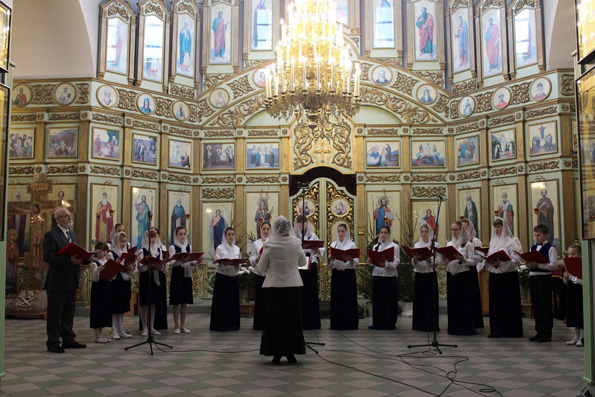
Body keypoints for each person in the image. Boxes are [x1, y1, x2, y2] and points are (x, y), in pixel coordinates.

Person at [257, 216, 307, 364]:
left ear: (275, 228)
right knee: (292, 319)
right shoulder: (296, 243)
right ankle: (291, 353)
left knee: (275, 320)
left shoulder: (269, 245)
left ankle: (276, 353)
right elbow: (303, 262)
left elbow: (261, 268)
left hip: (274, 287)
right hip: (293, 286)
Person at [42, 207, 86, 353]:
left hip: (71, 280)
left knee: (69, 312)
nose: (69, 218)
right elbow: (49, 256)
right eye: (65, 216)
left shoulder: (73, 235)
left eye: (69, 215)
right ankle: (53, 342)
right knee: (55, 313)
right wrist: (69, 261)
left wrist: (85, 258)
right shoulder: (51, 235)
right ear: (57, 219)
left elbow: (76, 254)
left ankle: (68, 339)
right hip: (57, 282)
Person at [482, 217, 523, 338]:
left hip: (508, 276)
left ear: (504, 227)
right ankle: (496, 330)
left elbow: (516, 260)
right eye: (495, 227)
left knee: (507, 304)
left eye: (499, 227)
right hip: (495, 275)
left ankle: (509, 330)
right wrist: (488, 261)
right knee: (496, 304)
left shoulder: (512, 240)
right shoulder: (493, 241)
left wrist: (502, 263)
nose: (496, 229)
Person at [441, 221, 476, 335]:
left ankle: (465, 328)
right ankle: (453, 327)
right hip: (451, 275)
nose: (454, 232)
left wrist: (463, 259)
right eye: (452, 229)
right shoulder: (450, 244)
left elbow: (472, 262)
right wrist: (443, 257)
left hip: (463, 276)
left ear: (462, 230)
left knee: (463, 303)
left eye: (456, 229)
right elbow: (446, 261)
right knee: (453, 303)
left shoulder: (468, 244)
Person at [527, 224, 558, 343]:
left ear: (546, 235)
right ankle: (539, 331)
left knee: (545, 306)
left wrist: (539, 265)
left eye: (539, 235)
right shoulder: (533, 248)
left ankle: (546, 333)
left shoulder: (551, 248)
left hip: (544, 279)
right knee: (536, 306)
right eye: (535, 235)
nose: (536, 238)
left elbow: (554, 265)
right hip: (533, 278)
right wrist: (529, 264)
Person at [294, 215, 323, 330]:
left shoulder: (312, 235)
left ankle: (311, 321)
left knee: (310, 293)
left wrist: (315, 249)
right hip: (297, 266)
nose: (302, 224)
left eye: (304, 222)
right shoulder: (293, 236)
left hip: (310, 265)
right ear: (296, 224)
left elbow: (320, 251)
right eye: (300, 222)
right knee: (298, 294)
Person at [328, 223, 359, 330]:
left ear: (346, 232)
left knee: (348, 298)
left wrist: (350, 259)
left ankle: (349, 323)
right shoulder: (333, 245)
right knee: (337, 299)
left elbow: (356, 262)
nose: (341, 233)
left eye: (343, 231)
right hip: (337, 274)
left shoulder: (351, 244)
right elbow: (330, 264)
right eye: (339, 231)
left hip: (348, 275)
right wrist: (330, 259)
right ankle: (337, 323)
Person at [368, 225, 400, 330]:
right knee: (378, 301)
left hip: (389, 277)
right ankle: (378, 322)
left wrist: (386, 264)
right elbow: (374, 260)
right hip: (378, 275)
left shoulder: (394, 246)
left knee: (388, 301)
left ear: (389, 234)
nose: (383, 235)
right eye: (381, 232)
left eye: (385, 233)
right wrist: (371, 261)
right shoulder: (376, 246)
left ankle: (389, 323)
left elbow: (396, 262)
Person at [211, 227, 241, 331]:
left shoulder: (237, 248)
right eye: (229, 234)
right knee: (222, 302)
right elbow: (217, 263)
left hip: (233, 278)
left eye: (233, 234)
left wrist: (237, 264)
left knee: (232, 302)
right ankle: (221, 324)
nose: (231, 236)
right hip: (222, 278)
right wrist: (224, 263)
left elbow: (239, 263)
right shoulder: (220, 248)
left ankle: (233, 324)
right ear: (225, 236)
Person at [411, 223, 439, 332]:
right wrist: (414, 260)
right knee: (420, 301)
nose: (424, 234)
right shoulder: (417, 245)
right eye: (422, 232)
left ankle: (431, 325)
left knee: (430, 301)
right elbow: (412, 262)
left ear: (430, 233)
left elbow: (440, 260)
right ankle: (419, 325)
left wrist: (430, 260)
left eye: (426, 232)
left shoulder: (435, 245)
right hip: (420, 275)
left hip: (430, 275)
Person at [138, 229, 166, 336]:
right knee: (145, 304)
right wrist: (148, 265)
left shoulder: (158, 249)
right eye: (151, 237)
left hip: (155, 277)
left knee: (153, 304)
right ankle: (144, 327)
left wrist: (159, 265)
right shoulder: (142, 250)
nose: (153, 239)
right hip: (146, 277)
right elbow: (139, 267)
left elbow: (162, 264)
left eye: (154, 237)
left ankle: (151, 326)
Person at [169, 226, 196, 334]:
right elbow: (172, 263)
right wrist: (180, 260)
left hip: (186, 276)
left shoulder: (189, 247)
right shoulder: (173, 247)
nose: (182, 236)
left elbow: (191, 262)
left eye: (184, 234)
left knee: (184, 302)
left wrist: (196, 262)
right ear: (176, 235)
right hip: (177, 275)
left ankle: (183, 326)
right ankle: (176, 326)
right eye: (180, 234)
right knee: (177, 302)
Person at [109, 231, 133, 339]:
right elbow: (109, 269)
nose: (123, 243)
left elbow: (130, 270)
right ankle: (113, 330)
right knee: (114, 306)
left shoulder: (126, 253)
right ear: (116, 241)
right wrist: (116, 263)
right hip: (115, 282)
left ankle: (120, 329)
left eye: (124, 241)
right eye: (121, 241)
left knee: (122, 306)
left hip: (124, 280)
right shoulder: (111, 253)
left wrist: (131, 268)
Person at [461, 219, 484, 328]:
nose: (464, 230)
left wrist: (467, 257)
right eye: (462, 228)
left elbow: (479, 257)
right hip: (462, 269)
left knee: (473, 295)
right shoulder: (459, 241)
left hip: (471, 269)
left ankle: (475, 321)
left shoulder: (475, 241)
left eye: (466, 227)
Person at [249, 221, 271, 331]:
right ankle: (259, 324)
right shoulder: (256, 243)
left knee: (270, 300)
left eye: (268, 229)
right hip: (259, 273)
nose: (266, 231)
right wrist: (256, 259)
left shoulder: (273, 242)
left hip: (271, 274)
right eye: (264, 229)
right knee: (260, 299)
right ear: (261, 230)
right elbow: (251, 259)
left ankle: (270, 324)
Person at [90, 242, 112, 343]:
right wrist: (98, 270)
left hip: (106, 288)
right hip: (98, 289)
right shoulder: (95, 263)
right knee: (97, 310)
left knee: (104, 310)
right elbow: (95, 279)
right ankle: (96, 335)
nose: (104, 253)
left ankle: (101, 334)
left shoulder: (106, 262)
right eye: (102, 251)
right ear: (97, 251)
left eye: (105, 251)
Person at [564, 244, 584, 347]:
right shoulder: (568, 264)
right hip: (571, 290)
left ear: (579, 255)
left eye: (573, 254)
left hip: (580, 291)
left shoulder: (582, 264)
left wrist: (571, 277)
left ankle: (582, 337)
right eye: (569, 254)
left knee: (580, 313)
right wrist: (566, 277)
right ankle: (576, 336)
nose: (570, 256)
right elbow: (566, 281)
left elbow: (582, 281)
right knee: (573, 313)